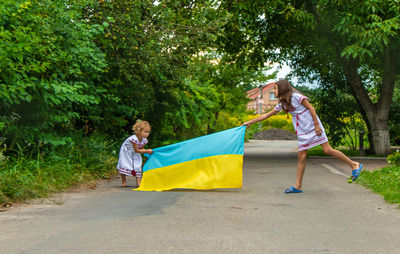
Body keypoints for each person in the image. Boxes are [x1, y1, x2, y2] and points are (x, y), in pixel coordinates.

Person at [242, 79, 363, 193]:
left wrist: (316, 125)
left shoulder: (297, 97)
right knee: (301, 156)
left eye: (275, 88)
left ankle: (354, 164)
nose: (274, 91)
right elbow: (266, 115)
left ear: (282, 88)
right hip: (302, 130)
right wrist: (250, 122)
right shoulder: (282, 104)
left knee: (327, 150)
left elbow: (311, 108)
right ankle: (298, 185)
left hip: (313, 126)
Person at [116, 120, 153, 187]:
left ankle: (138, 182)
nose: (147, 134)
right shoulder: (134, 139)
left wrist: (147, 151)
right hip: (127, 152)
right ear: (139, 131)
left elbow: (141, 149)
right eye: (146, 132)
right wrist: (147, 151)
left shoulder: (144, 139)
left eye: (148, 132)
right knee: (124, 164)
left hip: (135, 152)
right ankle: (123, 181)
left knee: (137, 165)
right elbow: (137, 150)